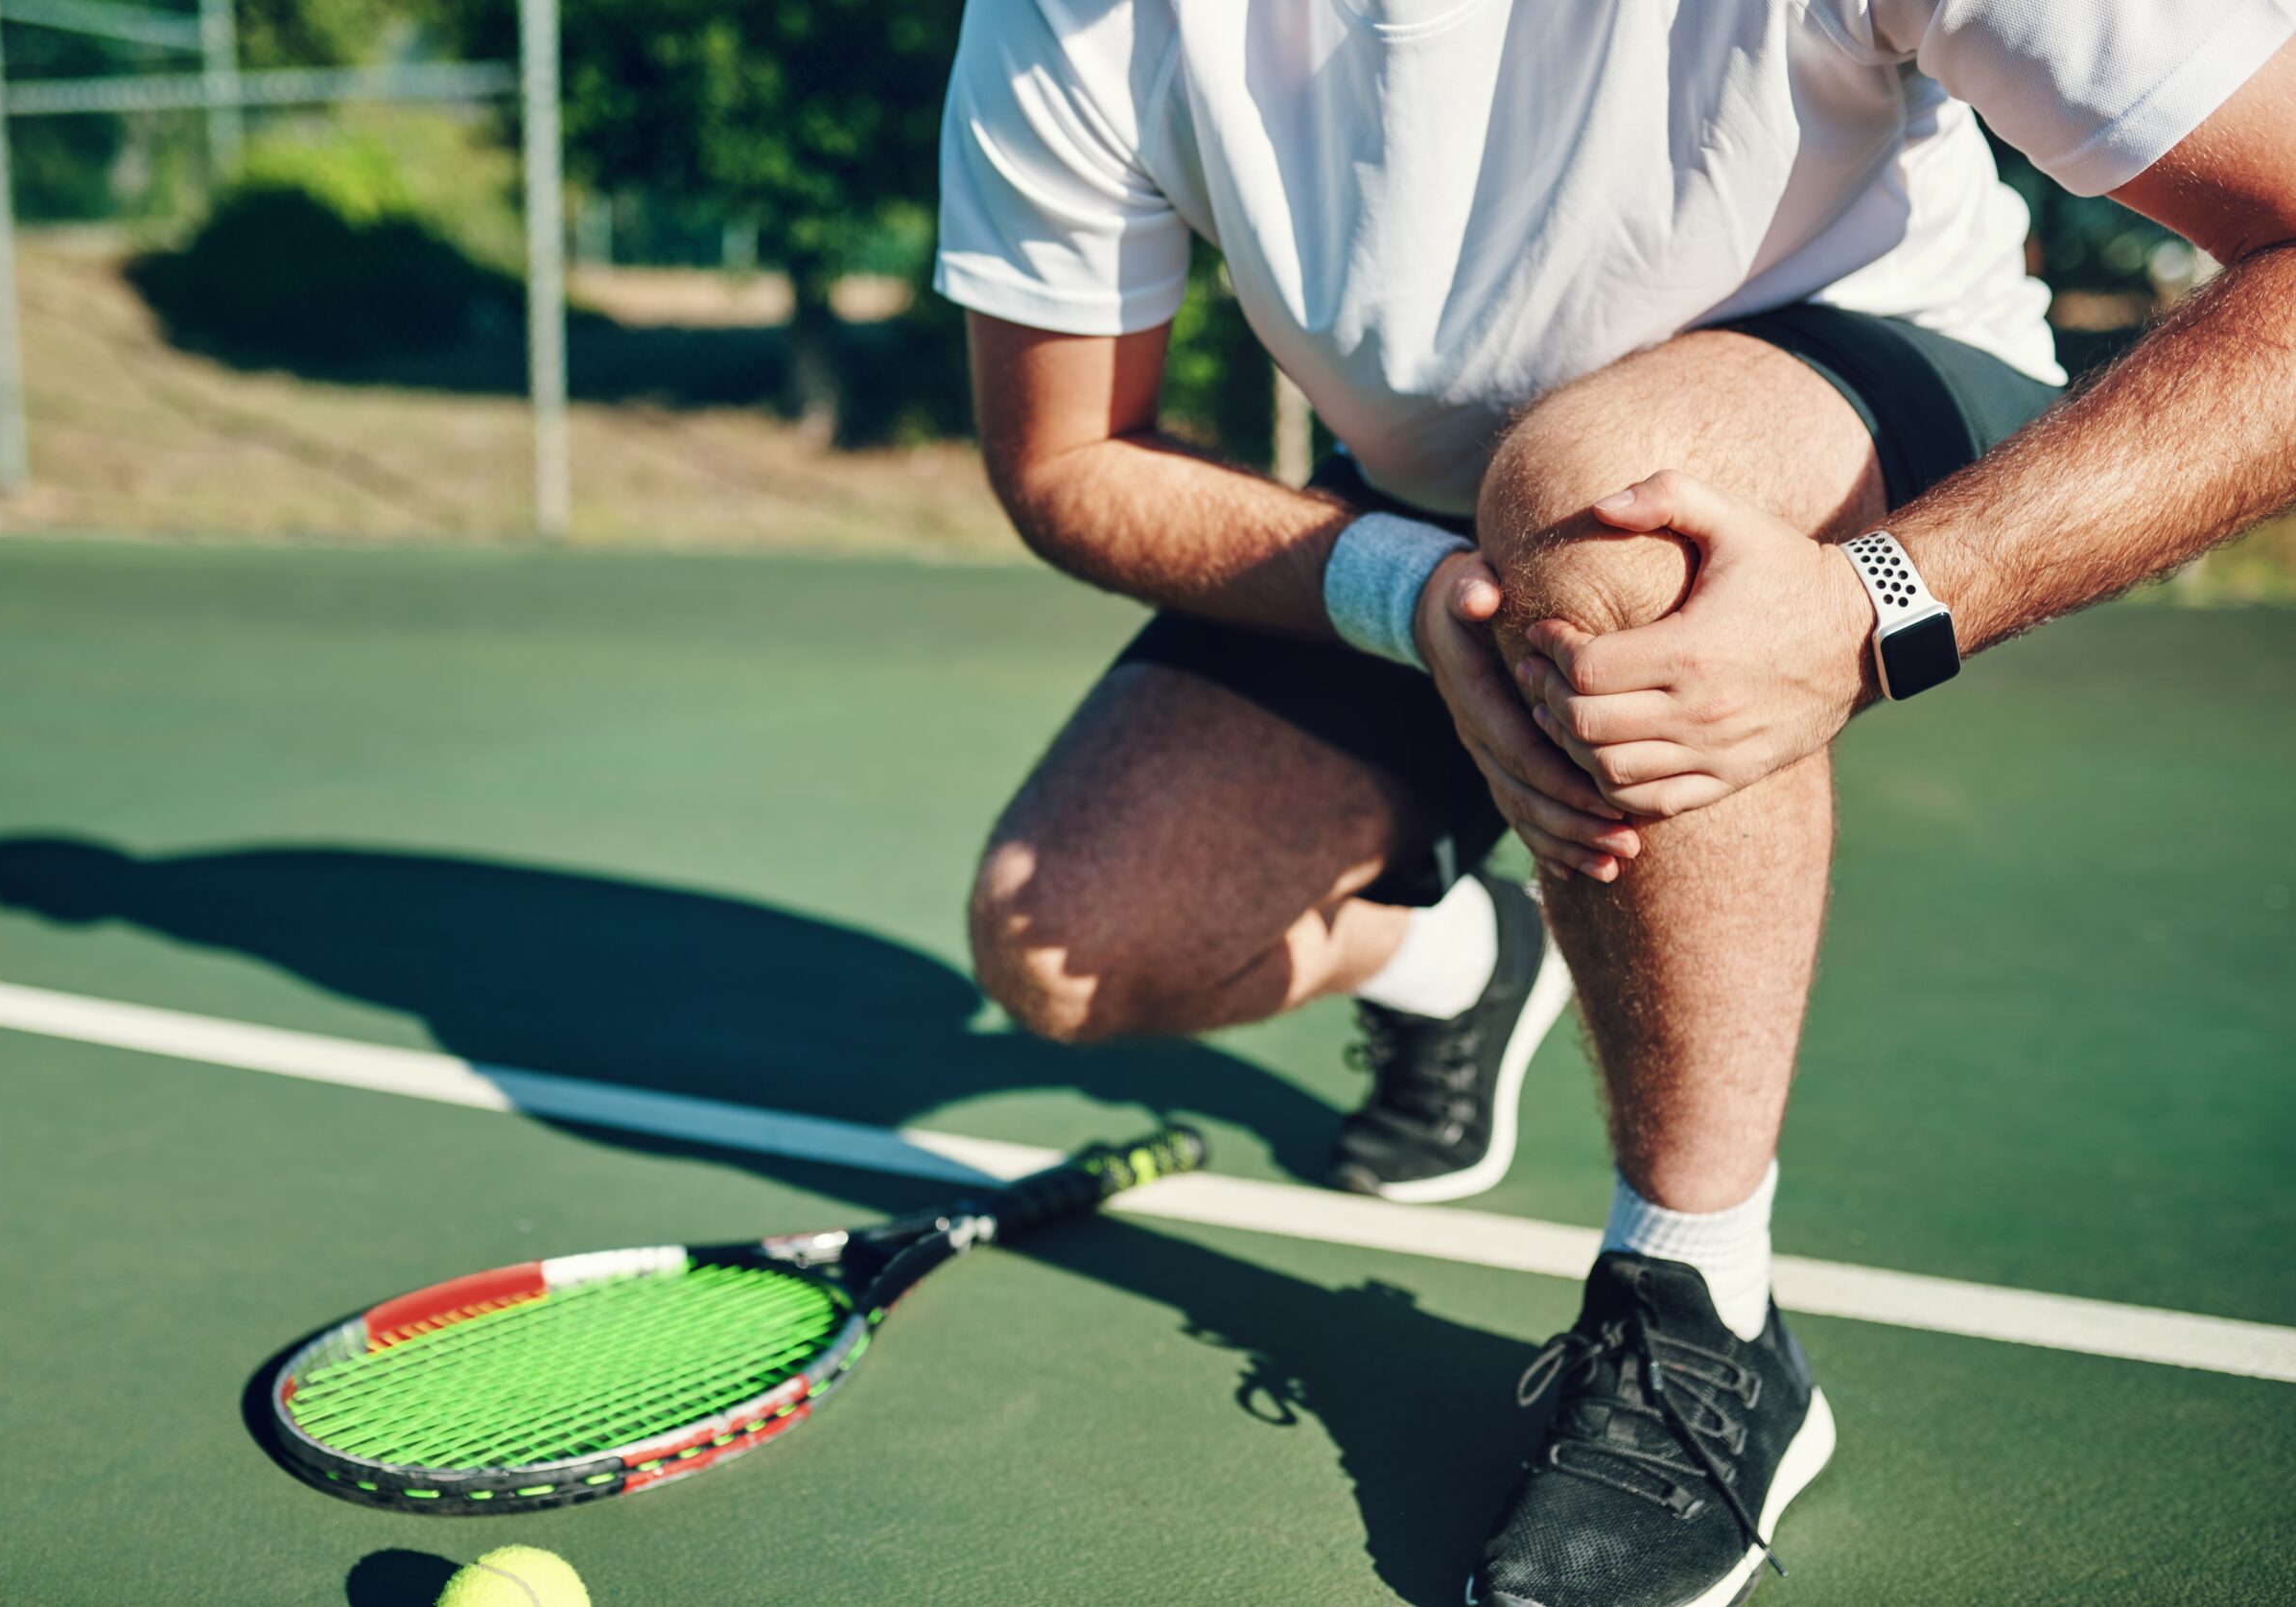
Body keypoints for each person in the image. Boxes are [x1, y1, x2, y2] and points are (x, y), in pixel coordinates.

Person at [932, 2, 2296, 1600]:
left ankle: (1698, 1304)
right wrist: (1407, 591)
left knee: (1597, 511)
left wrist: (1885, 598)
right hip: (1440, 511)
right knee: (1067, 941)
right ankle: (1459, 965)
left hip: (1841, 378)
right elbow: (1066, 461)